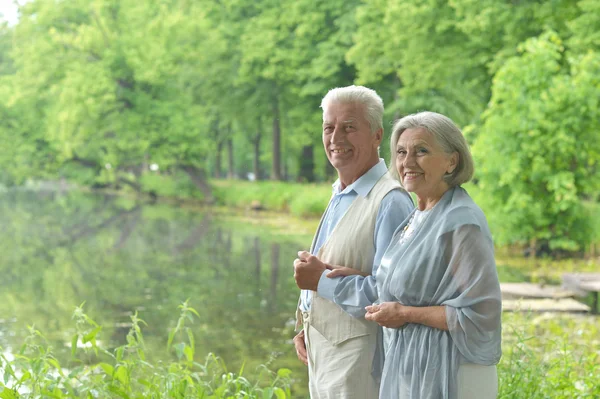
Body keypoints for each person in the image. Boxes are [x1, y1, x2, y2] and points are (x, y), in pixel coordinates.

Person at [328, 111, 502, 398]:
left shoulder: (460, 221)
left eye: (421, 151)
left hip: (454, 373)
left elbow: (480, 315)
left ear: (452, 161)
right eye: (401, 152)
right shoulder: (418, 215)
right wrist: (361, 276)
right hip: (414, 365)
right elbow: (419, 285)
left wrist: (405, 314)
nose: (407, 162)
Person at [293, 85, 414, 399]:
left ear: (376, 135)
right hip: (325, 358)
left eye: (349, 127)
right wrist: (304, 320)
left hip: (361, 368)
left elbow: (393, 297)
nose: (335, 139)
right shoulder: (341, 192)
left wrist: (320, 281)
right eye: (329, 128)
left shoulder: (391, 202)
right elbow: (325, 264)